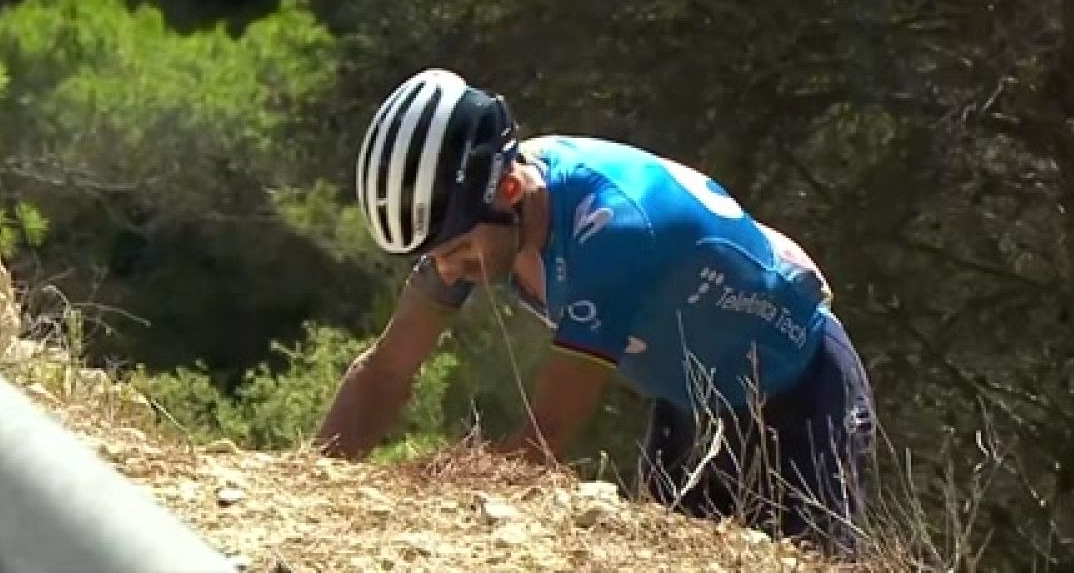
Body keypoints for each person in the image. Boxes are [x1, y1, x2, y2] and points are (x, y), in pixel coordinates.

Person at [315, 68, 876, 552]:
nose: (448, 269)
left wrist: (428, 514)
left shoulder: (612, 229)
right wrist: (315, 493)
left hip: (803, 389)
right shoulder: (484, 216)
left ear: (509, 189)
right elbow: (386, 371)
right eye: (433, 255)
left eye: (458, 250)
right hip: (691, 398)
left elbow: (545, 439)